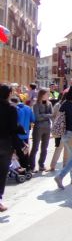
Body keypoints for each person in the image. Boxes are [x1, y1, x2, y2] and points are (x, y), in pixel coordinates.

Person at [1, 84, 28, 212]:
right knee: (2, 172)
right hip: (5, 144)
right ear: (8, 94)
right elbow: (13, 128)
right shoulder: (11, 109)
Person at [30, 88, 53, 172]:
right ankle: (32, 166)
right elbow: (37, 117)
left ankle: (41, 165)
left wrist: (44, 115)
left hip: (47, 127)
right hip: (38, 127)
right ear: (42, 94)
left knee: (45, 148)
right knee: (35, 147)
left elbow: (52, 114)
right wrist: (47, 115)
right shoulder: (36, 104)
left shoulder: (49, 103)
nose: (49, 95)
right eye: (47, 94)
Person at [15, 96, 36, 169]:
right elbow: (33, 119)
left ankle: (20, 168)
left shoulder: (15, 109)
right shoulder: (28, 108)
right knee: (25, 151)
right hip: (26, 134)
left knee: (18, 153)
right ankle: (27, 167)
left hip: (16, 135)